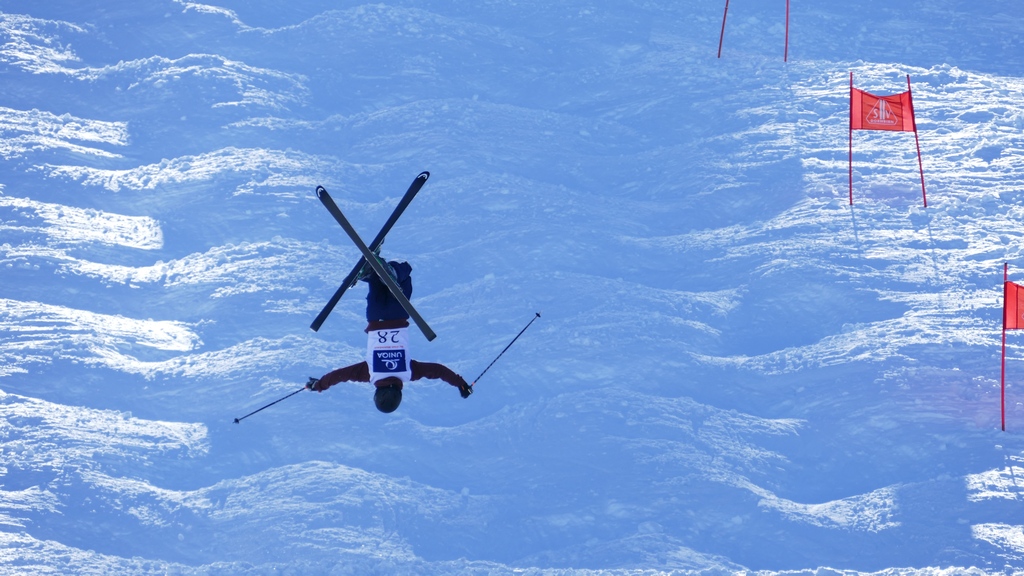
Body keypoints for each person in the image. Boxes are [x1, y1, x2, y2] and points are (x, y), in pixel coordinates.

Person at [307, 255, 472, 413]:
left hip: (398, 314)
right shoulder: (369, 374)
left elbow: (438, 371)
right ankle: (372, 272)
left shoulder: (408, 372)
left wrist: (460, 384)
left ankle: (390, 271)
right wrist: (320, 385)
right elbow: (340, 375)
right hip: (375, 316)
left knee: (405, 274)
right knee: (376, 280)